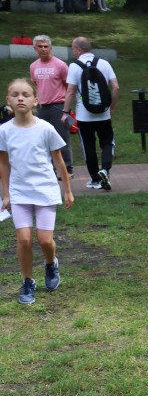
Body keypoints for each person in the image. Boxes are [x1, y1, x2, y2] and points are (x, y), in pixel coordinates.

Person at [0, 78, 74, 305]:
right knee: (23, 240)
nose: (20, 98)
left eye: (25, 94)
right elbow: (3, 163)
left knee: (44, 240)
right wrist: (6, 193)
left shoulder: (45, 128)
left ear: (36, 100)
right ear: (8, 100)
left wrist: (67, 190)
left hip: (45, 190)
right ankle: (28, 281)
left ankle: (51, 264)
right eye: (15, 94)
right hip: (19, 191)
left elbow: (59, 161)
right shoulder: (4, 130)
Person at [63, 36, 118, 191]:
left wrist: (66, 112)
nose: (73, 52)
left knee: (89, 147)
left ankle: (95, 179)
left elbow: (70, 92)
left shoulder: (74, 66)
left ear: (79, 50)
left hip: (83, 116)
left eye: (73, 49)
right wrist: (111, 107)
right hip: (104, 114)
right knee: (107, 143)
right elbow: (116, 87)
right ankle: (105, 170)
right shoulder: (104, 63)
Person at [30, 35, 74, 178]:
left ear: (50, 48)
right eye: (40, 46)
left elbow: (69, 88)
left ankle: (67, 169)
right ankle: (49, 169)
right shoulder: (34, 66)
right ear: (35, 48)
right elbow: (36, 86)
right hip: (42, 108)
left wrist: (66, 109)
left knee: (62, 138)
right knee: (42, 139)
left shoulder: (60, 65)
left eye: (46, 46)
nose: (43, 49)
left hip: (58, 106)